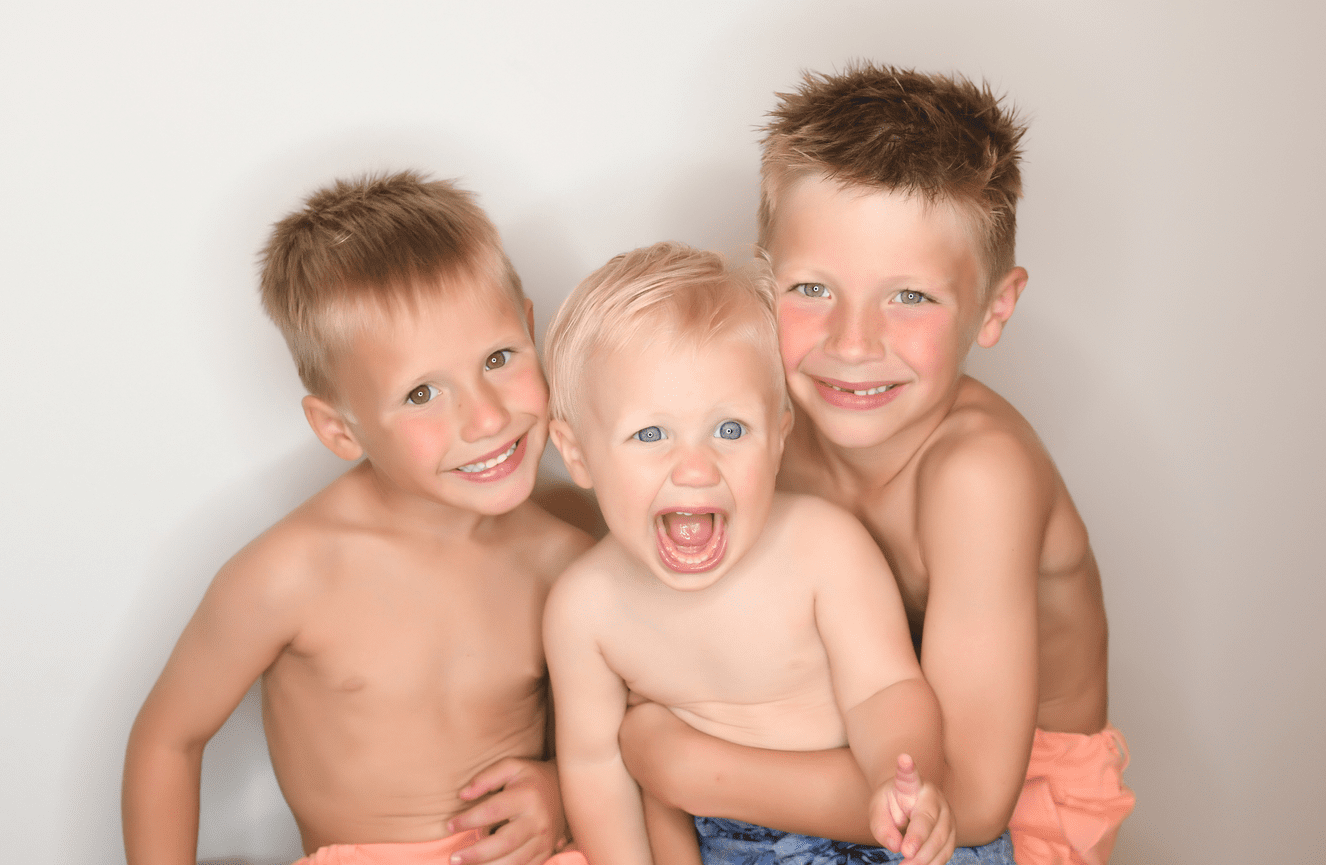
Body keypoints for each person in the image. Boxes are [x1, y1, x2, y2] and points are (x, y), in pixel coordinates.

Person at [618, 66, 1134, 865]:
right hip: (851, 751)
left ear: (995, 307)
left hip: (1009, 798)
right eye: (813, 288)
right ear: (763, 281)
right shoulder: (761, 429)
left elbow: (969, 798)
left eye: (912, 297)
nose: (852, 343)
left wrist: (683, 765)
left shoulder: (976, 474)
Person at [122, 171, 593, 865]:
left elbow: (624, 734)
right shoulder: (293, 572)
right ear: (340, 429)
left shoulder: (568, 562)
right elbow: (168, 739)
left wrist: (561, 788)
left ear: (530, 329)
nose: (487, 417)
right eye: (422, 392)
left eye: (498, 358)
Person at [542, 241, 1014, 865]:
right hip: (722, 843)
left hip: (869, 829)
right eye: (650, 434)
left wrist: (901, 782)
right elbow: (597, 767)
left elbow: (886, 690)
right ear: (577, 454)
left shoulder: (822, 548)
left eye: (730, 429)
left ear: (779, 438)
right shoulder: (584, 609)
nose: (694, 466)